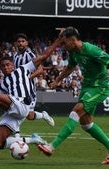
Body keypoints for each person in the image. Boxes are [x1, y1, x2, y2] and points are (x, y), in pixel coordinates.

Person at [0, 37, 61, 150]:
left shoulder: (23, 69)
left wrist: (58, 40)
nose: (6, 67)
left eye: (8, 64)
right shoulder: (2, 85)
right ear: (0, 68)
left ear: (13, 65)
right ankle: (33, 140)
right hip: (13, 113)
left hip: (22, 105)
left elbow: (43, 56)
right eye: (3, 66)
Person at [37, 26, 109, 165]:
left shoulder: (91, 50)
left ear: (73, 40)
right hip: (87, 86)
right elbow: (70, 68)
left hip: (99, 87)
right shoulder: (74, 53)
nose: (63, 46)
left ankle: (51, 146)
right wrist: (57, 80)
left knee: (76, 112)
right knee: (86, 124)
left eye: (64, 43)